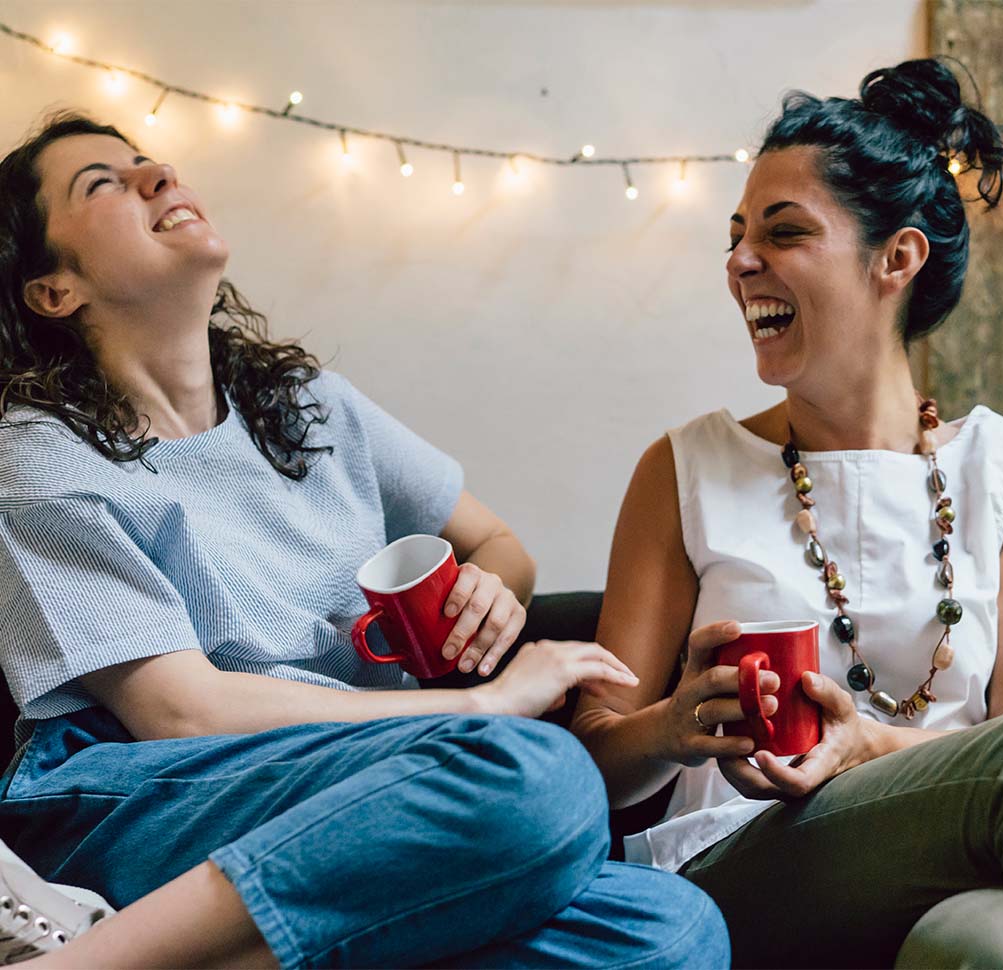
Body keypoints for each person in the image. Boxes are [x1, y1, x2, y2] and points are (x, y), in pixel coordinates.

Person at [0, 112, 729, 969]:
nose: (157, 173)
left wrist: (489, 592)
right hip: (143, 791)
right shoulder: (36, 452)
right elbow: (180, 712)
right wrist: (484, 707)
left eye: (145, 161)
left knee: (673, 931)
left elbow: (499, 544)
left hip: (359, 783)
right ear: (55, 290)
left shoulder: (309, 404)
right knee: (542, 780)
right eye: (104, 184)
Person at [571, 57, 1003, 969]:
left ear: (898, 258)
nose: (739, 261)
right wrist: (675, 722)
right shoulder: (685, 468)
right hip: (748, 867)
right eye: (737, 235)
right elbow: (590, 763)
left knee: (988, 946)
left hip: (964, 876)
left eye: (784, 232)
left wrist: (862, 745)